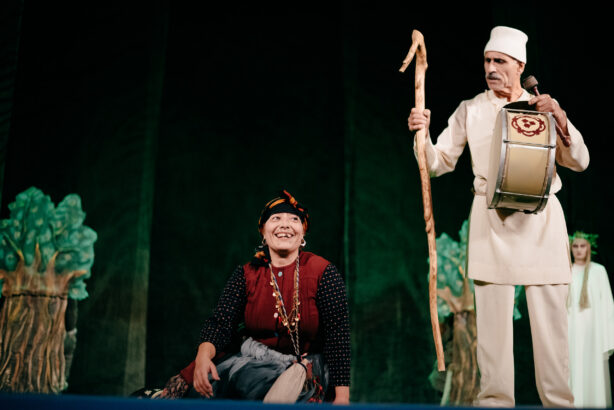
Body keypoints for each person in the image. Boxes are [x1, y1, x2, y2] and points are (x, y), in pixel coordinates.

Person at [407, 26, 589, 406]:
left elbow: (580, 161)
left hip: (541, 222)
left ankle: (560, 404)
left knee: (552, 333)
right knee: (491, 338)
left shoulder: (542, 106)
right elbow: (437, 163)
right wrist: (422, 135)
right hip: (492, 223)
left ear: (520, 65)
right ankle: (493, 404)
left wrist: (559, 117)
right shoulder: (470, 109)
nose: (491, 68)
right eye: (487, 60)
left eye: (500, 61)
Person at [150, 190, 350, 403]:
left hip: (307, 370)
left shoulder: (324, 272)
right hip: (254, 367)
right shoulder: (246, 274)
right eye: (276, 218)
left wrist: (342, 397)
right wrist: (203, 356)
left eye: (294, 219)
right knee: (206, 392)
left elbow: (338, 336)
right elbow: (221, 324)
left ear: (302, 234)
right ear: (263, 232)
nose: (285, 225)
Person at [567, 231, 614, 408]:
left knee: (592, 370)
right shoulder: (566, 271)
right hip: (571, 330)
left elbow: (608, 304)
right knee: (573, 367)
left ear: (589, 248)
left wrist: (607, 337)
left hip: (593, 332)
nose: (579, 250)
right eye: (575, 246)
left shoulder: (598, 271)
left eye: (582, 246)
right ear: (571, 248)